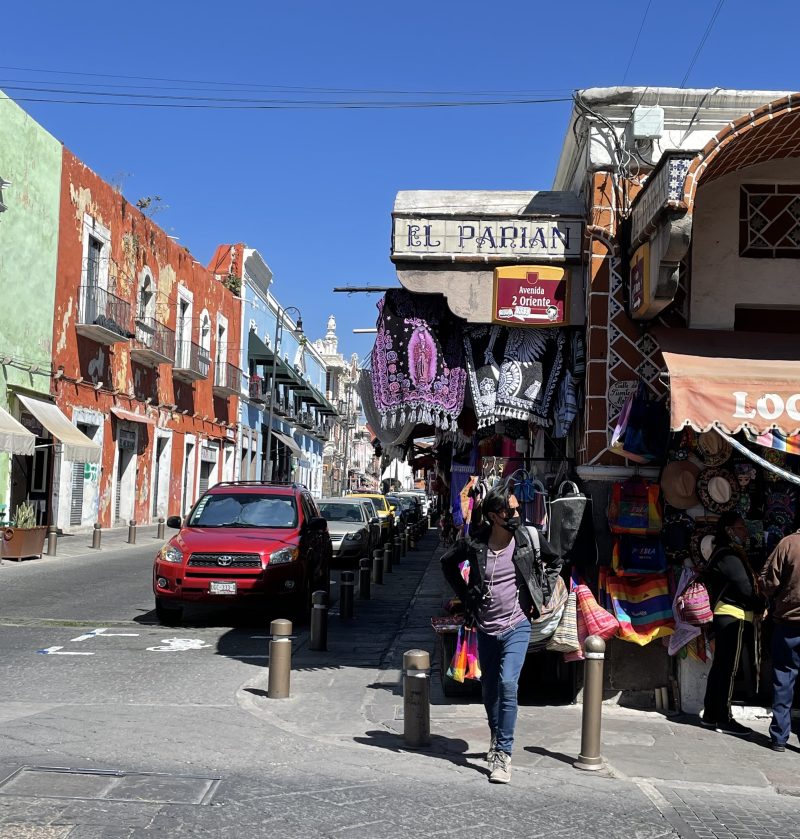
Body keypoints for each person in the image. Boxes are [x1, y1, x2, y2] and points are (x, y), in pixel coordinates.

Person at [441, 482, 561, 783]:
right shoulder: (476, 542)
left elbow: (556, 561)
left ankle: (503, 755)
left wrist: (541, 595)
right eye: (511, 510)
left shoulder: (527, 537)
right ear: (494, 515)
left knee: (509, 684)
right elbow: (448, 563)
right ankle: (497, 736)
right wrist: (467, 595)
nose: (517, 514)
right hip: (485, 626)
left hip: (517, 624)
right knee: (489, 688)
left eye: (517, 508)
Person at [700, 511, 766, 736]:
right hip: (733, 616)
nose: (745, 532)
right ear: (729, 530)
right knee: (728, 668)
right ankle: (724, 718)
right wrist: (760, 604)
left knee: (721, 666)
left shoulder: (724, 554)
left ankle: (710, 714)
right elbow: (744, 587)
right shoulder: (729, 555)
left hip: (729, 615)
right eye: (740, 528)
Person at [758, 528, 800, 752]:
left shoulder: (788, 544)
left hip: (788, 623)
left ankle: (779, 738)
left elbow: (768, 581)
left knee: (783, 679)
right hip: (788, 623)